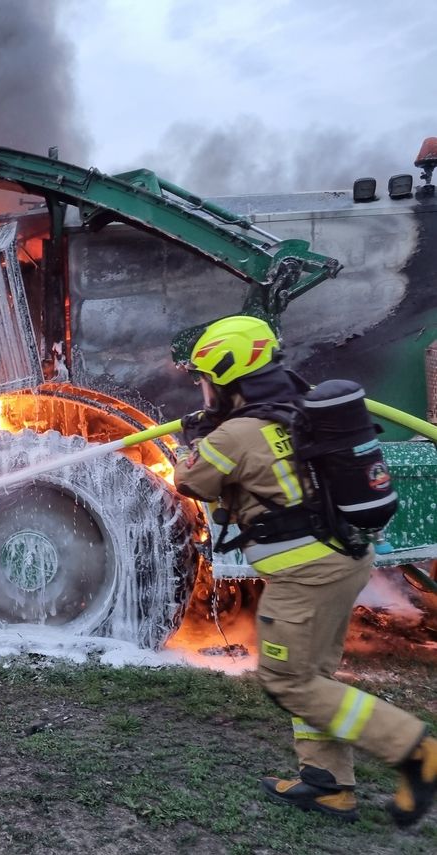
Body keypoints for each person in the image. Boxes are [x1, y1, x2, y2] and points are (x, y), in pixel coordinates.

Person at [173, 314, 437, 825]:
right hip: (342, 560)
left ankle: (416, 751)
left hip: (307, 576)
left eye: (207, 381)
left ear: (228, 380)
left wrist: (195, 439)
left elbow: (192, 482)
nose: (204, 392)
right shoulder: (298, 407)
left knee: (289, 681)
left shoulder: (237, 435)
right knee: (313, 675)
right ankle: (328, 785)